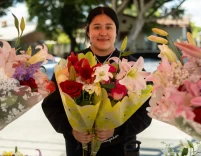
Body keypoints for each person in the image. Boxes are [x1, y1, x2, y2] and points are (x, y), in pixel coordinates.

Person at [42, 6, 152, 156]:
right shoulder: (70, 64)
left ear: (116, 31)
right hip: (79, 148)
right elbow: (51, 105)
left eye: (109, 27)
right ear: (88, 31)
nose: (103, 33)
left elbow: (146, 110)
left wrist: (117, 130)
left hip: (122, 148)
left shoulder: (130, 65)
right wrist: (72, 130)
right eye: (97, 27)